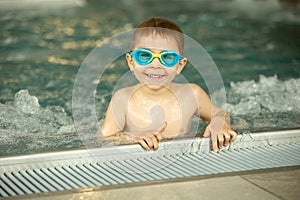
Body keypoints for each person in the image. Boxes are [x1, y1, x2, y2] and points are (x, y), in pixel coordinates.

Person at [100, 17, 237, 152]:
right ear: (131, 62)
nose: (155, 65)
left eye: (167, 57)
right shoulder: (122, 99)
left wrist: (219, 123)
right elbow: (102, 139)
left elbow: (221, 113)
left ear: (179, 65)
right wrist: (130, 138)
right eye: (144, 56)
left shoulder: (192, 95)